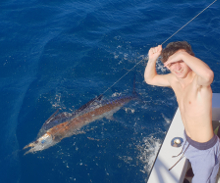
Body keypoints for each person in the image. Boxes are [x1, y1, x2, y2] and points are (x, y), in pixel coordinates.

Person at [144, 41, 220, 183]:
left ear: (190, 59)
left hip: (205, 151)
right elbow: (150, 79)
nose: (177, 67)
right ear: (166, 64)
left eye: (182, 61)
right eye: (172, 63)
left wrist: (182, 54)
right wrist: (152, 59)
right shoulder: (174, 79)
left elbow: (209, 75)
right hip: (189, 141)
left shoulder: (198, 82)